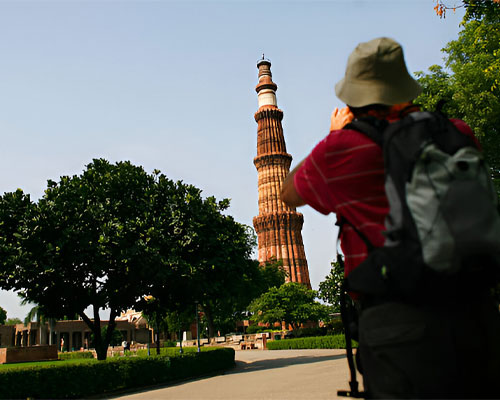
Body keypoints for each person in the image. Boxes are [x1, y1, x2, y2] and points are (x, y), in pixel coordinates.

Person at [281, 37, 500, 399]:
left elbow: (288, 194)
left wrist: (334, 134)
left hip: (398, 323)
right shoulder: (455, 133)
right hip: (477, 313)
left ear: (353, 95)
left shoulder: (344, 148)